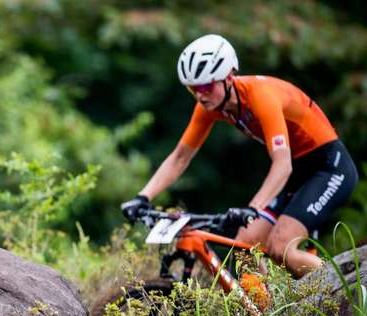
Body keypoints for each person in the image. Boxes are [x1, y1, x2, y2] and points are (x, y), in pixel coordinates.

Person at [121, 34, 358, 277]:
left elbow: (282, 164)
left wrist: (253, 208)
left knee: (281, 248)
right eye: (193, 89)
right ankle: (269, 313)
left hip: (328, 167)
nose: (200, 95)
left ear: (228, 77)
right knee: (244, 249)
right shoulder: (209, 107)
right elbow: (180, 157)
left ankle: (350, 291)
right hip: (298, 173)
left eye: (205, 86)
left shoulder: (261, 96)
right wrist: (143, 197)